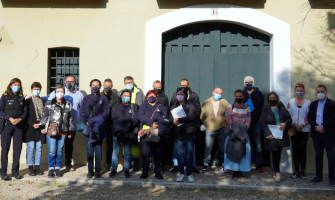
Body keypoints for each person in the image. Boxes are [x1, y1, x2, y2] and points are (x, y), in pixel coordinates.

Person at [43, 75, 84, 171]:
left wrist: (81, 122)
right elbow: (47, 98)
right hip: (56, 126)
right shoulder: (59, 91)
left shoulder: (79, 95)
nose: (70, 83)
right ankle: (56, 165)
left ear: (75, 82)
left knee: (69, 145)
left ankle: (68, 163)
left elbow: (82, 109)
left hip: (71, 125)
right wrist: (35, 97)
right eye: (68, 81)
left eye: (72, 81)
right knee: (55, 147)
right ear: (65, 82)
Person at [39, 85, 74, 178]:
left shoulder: (68, 104)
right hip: (52, 130)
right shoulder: (49, 103)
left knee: (59, 150)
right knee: (52, 150)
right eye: (58, 91)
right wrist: (42, 127)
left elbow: (70, 118)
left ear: (64, 93)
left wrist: (70, 131)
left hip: (63, 130)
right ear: (55, 93)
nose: (59, 93)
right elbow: (44, 116)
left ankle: (57, 168)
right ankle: (51, 168)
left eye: (61, 91)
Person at [259, 91, 292, 183]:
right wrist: (267, 133)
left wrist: (285, 123)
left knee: (278, 153)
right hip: (271, 135)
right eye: (271, 98)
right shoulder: (265, 109)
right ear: (268, 99)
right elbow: (262, 122)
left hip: (281, 135)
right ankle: (277, 172)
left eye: (274, 98)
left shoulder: (281, 107)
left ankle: (275, 170)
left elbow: (289, 119)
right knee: (274, 154)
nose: (272, 99)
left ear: (276, 98)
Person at [80, 79, 110, 178]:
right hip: (88, 127)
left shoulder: (103, 98)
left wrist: (99, 121)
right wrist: (86, 122)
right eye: (93, 85)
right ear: (90, 86)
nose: (95, 86)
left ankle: (97, 170)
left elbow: (106, 111)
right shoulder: (86, 98)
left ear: (100, 86)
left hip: (99, 127)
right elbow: (82, 111)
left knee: (98, 149)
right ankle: (90, 170)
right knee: (89, 149)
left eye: (97, 85)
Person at [170, 79, 200, 174]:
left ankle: (192, 166)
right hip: (178, 129)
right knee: (178, 151)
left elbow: (197, 110)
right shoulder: (175, 96)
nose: (183, 87)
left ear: (188, 85)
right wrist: (173, 121)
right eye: (181, 85)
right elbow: (171, 111)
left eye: (185, 85)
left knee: (191, 150)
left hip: (190, 127)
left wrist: (193, 121)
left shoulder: (193, 95)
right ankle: (177, 166)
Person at [138, 90, 171, 180]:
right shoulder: (143, 106)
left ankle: (157, 172)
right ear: (147, 97)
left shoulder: (161, 106)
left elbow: (164, 118)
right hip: (145, 133)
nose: (151, 97)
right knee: (145, 153)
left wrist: (157, 125)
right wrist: (151, 123)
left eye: (153, 95)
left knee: (157, 153)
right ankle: (145, 172)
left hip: (157, 132)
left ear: (156, 97)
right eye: (149, 95)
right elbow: (141, 116)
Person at [0, 78, 28, 180]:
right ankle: (3, 171)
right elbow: (0, 110)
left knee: (17, 149)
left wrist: (19, 119)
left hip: (18, 126)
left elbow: (25, 112)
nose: (17, 86)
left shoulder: (21, 97)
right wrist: (10, 118)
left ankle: (15, 171)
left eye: (19, 85)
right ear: (11, 85)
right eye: (15, 84)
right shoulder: (5, 96)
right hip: (7, 125)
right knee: (5, 149)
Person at [307, 85, 335, 187]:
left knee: (331, 156)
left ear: (326, 92)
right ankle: (319, 176)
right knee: (318, 156)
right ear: (316, 92)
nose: (320, 93)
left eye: (322, 91)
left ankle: (332, 179)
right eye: (318, 91)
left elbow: (333, 118)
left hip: (329, 135)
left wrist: (323, 126)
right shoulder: (313, 104)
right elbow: (309, 117)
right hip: (316, 134)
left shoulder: (332, 104)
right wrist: (317, 127)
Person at [110, 89, 139, 178]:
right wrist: (127, 123)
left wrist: (125, 125)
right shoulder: (116, 107)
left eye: (128, 96)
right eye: (124, 96)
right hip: (117, 132)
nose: (126, 97)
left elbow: (136, 119)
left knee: (127, 152)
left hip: (128, 133)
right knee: (115, 152)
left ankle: (126, 169)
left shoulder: (134, 107)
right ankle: (114, 170)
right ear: (121, 96)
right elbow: (114, 119)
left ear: (130, 97)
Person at [118, 76, 145, 171]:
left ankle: (135, 163)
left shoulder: (139, 92)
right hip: (125, 123)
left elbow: (143, 105)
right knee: (125, 145)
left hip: (136, 122)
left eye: (130, 82)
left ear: (133, 82)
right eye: (127, 82)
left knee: (135, 145)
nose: (129, 84)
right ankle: (127, 163)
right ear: (124, 83)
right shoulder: (120, 93)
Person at [224, 89, 251, 180]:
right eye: (237, 96)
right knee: (233, 151)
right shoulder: (230, 107)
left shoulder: (247, 108)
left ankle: (240, 171)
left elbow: (248, 120)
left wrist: (243, 130)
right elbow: (229, 119)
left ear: (243, 97)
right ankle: (234, 171)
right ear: (234, 96)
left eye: (240, 96)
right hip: (232, 134)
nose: (238, 98)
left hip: (243, 134)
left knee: (243, 152)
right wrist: (236, 130)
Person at [200, 87, 229, 172]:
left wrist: (226, 124)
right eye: (217, 92)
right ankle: (206, 164)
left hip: (221, 129)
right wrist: (207, 124)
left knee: (222, 148)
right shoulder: (206, 102)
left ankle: (223, 164)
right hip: (210, 129)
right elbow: (202, 115)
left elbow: (228, 114)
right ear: (213, 92)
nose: (218, 94)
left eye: (220, 93)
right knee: (208, 148)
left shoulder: (224, 102)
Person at [144, 80, 170, 172]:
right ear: (152, 86)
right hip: (150, 126)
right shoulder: (148, 96)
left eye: (159, 88)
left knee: (160, 148)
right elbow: (145, 110)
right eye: (156, 87)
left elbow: (166, 111)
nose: (157, 89)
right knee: (150, 147)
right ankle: (151, 164)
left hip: (160, 126)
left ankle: (161, 164)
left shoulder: (165, 97)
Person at [287, 83, 311, 180]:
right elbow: (288, 114)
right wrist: (294, 124)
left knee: (303, 150)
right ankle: (296, 171)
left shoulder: (308, 102)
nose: (299, 92)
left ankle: (303, 172)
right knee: (295, 150)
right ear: (295, 91)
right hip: (293, 129)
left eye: (301, 90)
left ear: (304, 91)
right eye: (298, 90)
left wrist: (302, 124)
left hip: (304, 129)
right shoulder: (291, 102)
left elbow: (310, 115)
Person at [242, 76, 265, 174]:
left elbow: (263, 107)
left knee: (258, 146)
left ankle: (259, 166)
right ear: (244, 84)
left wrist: (260, 119)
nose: (249, 83)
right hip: (244, 124)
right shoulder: (241, 94)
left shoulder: (259, 94)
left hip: (256, 124)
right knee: (246, 145)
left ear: (254, 83)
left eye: (250, 82)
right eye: (247, 82)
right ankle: (246, 165)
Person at [24, 82, 46, 176]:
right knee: (30, 148)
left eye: (38, 89)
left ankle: (37, 166)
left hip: (40, 128)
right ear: (31, 90)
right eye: (35, 89)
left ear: (40, 90)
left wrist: (42, 125)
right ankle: (30, 167)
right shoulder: (27, 101)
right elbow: (25, 115)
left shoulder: (44, 101)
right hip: (30, 128)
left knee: (39, 148)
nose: (36, 91)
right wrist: (32, 124)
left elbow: (46, 116)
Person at [101, 78, 121, 171]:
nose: (107, 87)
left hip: (111, 125)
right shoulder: (99, 96)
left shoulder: (116, 97)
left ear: (112, 86)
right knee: (98, 145)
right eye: (105, 86)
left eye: (109, 86)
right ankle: (98, 164)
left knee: (110, 146)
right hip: (100, 125)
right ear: (103, 86)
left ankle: (109, 164)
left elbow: (118, 112)